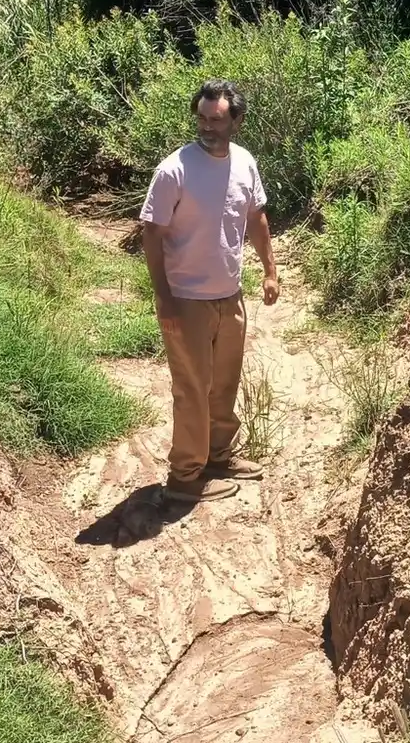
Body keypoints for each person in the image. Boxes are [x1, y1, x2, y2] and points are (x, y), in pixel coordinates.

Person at [139, 79, 280, 504]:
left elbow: (255, 218)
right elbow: (151, 232)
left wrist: (270, 271)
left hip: (229, 295)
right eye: (201, 118)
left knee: (223, 384)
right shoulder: (174, 170)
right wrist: (164, 298)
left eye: (216, 119)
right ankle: (185, 478)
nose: (207, 127)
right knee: (192, 389)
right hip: (186, 299)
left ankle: (217, 457)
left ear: (236, 121)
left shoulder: (244, 163)